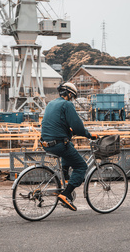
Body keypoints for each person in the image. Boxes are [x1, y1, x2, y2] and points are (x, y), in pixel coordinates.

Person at [40, 82, 97, 211]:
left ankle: (65, 176)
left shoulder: (51, 103)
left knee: (68, 146)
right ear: (70, 94)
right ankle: (66, 194)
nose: (72, 99)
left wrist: (69, 132)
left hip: (46, 144)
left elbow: (56, 124)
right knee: (81, 166)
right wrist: (89, 135)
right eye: (73, 97)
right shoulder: (67, 104)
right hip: (58, 145)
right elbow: (77, 126)